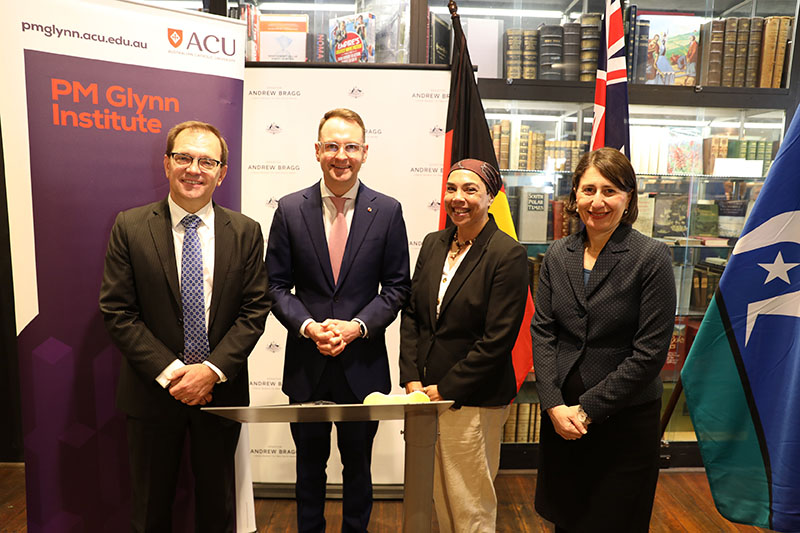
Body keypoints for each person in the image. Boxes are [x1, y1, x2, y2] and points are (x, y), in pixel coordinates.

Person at [99, 120, 271, 532]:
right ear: (166, 164)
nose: (194, 169)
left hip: (221, 394)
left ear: (221, 172)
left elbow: (255, 310)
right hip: (152, 394)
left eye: (206, 161)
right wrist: (177, 374)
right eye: (184, 158)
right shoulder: (130, 226)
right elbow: (118, 311)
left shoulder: (246, 232)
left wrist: (209, 372)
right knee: (150, 509)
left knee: (217, 507)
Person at [265, 108, 410, 533]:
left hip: (361, 368)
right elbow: (275, 287)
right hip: (307, 365)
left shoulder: (387, 211)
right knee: (308, 472)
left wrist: (357, 327)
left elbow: (398, 287)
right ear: (317, 151)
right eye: (331, 146)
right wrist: (310, 327)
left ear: (365, 152)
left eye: (350, 146)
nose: (340, 155)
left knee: (358, 472)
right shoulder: (290, 209)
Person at [531, 147, 676, 532]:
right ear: (575, 195)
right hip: (562, 422)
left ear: (628, 198)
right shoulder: (557, 254)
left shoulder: (652, 257)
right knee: (567, 521)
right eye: (589, 189)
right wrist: (553, 405)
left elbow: (650, 354)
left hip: (622, 425)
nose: (598, 201)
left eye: (610, 191)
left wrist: (585, 410)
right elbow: (543, 332)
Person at [399, 159, 529, 532]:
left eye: (470, 190)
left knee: (469, 507)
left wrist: (446, 388)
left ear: (491, 196)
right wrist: (411, 380)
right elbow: (413, 316)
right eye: (452, 188)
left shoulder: (507, 254)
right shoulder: (433, 242)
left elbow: (497, 339)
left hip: (471, 400)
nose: (458, 198)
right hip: (423, 398)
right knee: (433, 504)